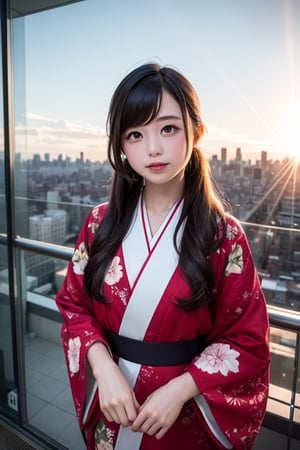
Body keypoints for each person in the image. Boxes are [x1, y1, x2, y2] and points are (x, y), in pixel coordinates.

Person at [56, 63, 270, 450]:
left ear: (196, 132)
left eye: (168, 128)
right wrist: (103, 368)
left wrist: (182, 390)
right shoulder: (98, 223)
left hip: (183, 412)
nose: (152, 148)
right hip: (114, 401)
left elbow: (246, 339)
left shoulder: (225, 237)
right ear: (121, 145)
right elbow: (74, 304)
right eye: (135, 134)